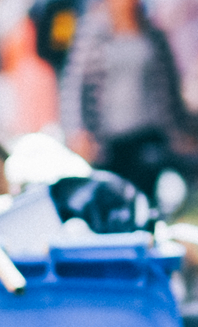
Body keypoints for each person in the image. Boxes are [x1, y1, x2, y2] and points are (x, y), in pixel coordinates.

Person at [57, 0, 190, 198]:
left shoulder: (153, 33)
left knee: (153, 196)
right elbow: (73, 87)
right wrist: (76, 131)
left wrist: (182, 131)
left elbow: (170, 86)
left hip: (149, 134)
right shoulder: (92, 32)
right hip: (109, 140)